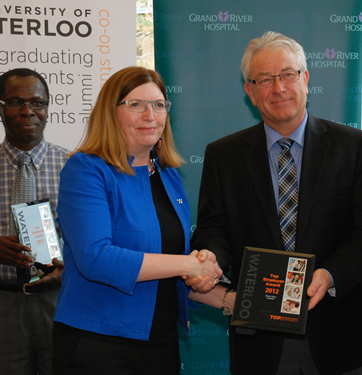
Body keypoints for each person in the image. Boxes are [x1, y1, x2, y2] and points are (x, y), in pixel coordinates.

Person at [188, 31, 362, 375]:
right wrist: (210, 257)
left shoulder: (352, 145)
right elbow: (213, 228)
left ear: (305, 79)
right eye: (264, 80)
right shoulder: (224, 155)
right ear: (250, 91)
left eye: (288, 75)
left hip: (335, 332)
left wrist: (331, 274)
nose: (278, 88)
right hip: (259, 338)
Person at [52, 66, 229, 375]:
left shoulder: (169, 176)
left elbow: (167, 270)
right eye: (136, 104)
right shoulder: (86, 170)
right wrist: (189, 265)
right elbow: (96, 258)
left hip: (161, 344)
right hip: (99, 346)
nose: (151, 115)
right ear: (111, 112)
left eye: (159, 105)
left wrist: (231, 300)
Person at [0, 68, 67, 375]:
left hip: (61, 300)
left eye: (37, 103)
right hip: (3, 302)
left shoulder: (74, 166)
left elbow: (96, 236)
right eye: (15, 102)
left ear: (48, 108)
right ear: (1, 108)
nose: (28, 111)